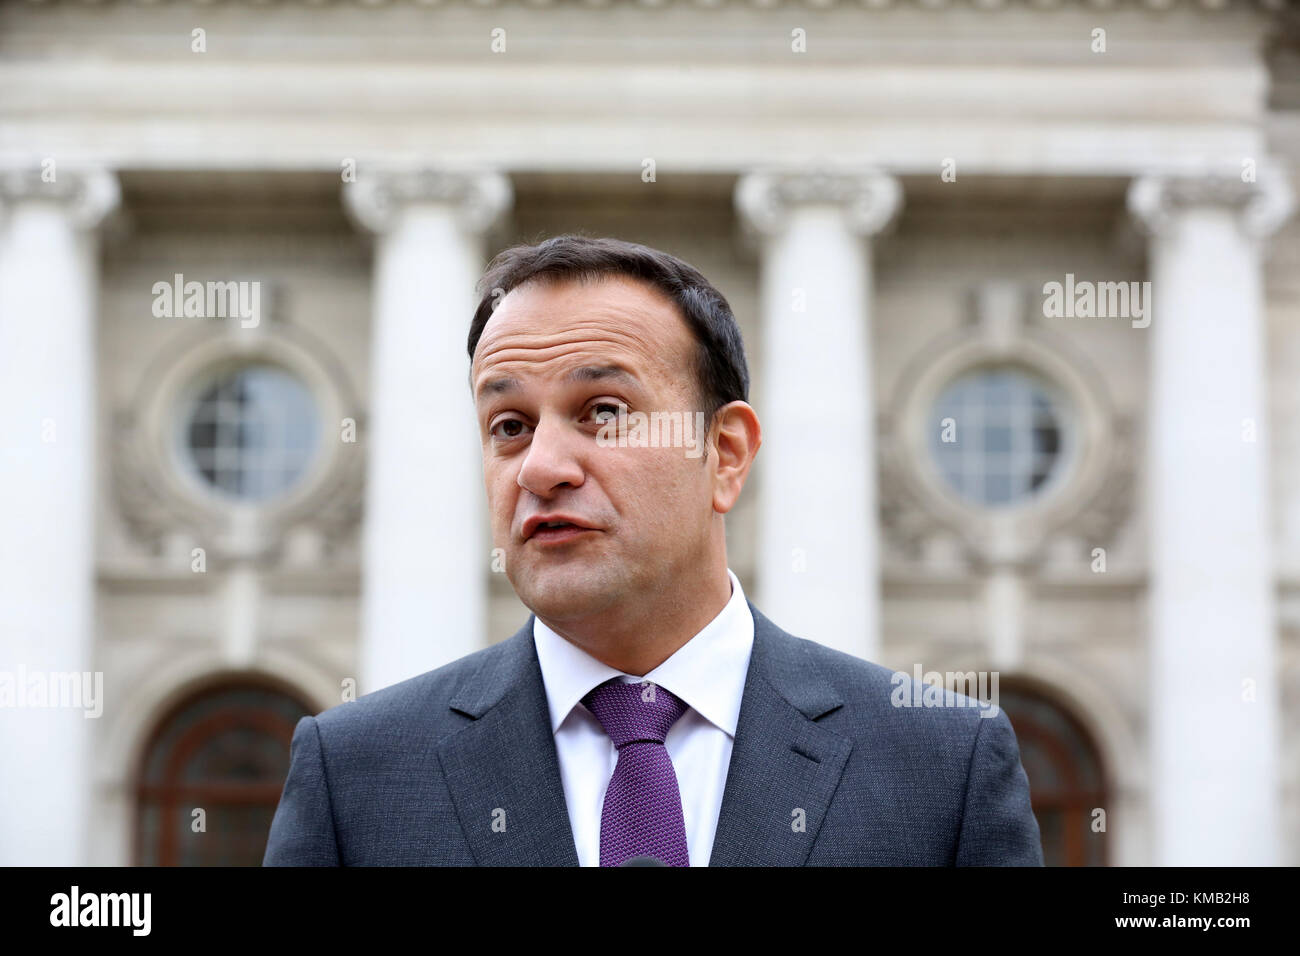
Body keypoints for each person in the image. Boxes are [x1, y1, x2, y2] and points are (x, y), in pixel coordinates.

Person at [263, 234, 1043, 866]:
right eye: (510, 426)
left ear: (726, 453)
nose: (540, 467)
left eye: (602, 411)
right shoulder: (357, 775)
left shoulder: (942, 767)